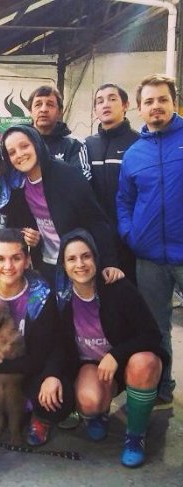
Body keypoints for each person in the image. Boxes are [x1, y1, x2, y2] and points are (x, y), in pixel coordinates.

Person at [55, 229, 165, 467]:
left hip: (125, 362)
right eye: (71, 259)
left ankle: (135, 436)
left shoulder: (117, 287)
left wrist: (116, 355)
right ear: (63, 266)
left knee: (145, 363)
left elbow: (152, 334)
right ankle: (99, 414)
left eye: (86, 256)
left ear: (96, 258)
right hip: (91, 366)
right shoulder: (61, 299)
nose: (80, 264)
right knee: (89, 401)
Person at [0, 228, 74, 446]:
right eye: (0, 259)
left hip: (29, 365)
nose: (8, 267)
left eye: (16, 258)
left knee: (56, 397)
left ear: (27, 261)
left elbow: (44, 353)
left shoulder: (41, 295)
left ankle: (40, 417)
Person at [117, 73, 183, 405]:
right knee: (157, 327)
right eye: (149, 101)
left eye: (162, 99)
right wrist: (131, 234)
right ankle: (162, 386)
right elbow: (124, 200)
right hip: (150, 257)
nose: (155, 106)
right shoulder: (134, 154)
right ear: (140, 109)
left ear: (174, 102)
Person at [1, 124, 123, 286]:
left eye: (24, 146)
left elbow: (96, 220)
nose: (20, 154)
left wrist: (109, 262)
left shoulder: (67, 175)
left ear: (37, 144)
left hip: (78, 265)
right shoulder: (17, 186)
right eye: (12, 152)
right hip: (46, 265)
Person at [85, 83, 139, 283]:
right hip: (97, 238)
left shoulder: (138, 143)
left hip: (131, 240)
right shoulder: (87, 145)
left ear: (126, 105)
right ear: (95, 110)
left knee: (131, 300)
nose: (105, 104)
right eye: (100, 101)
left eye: (112, 98)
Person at [27, 85, 91, 179]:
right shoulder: (21, 144)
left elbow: (83, 177)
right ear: (30, 111)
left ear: (60, 111)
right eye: (38, 104)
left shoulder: (74, 145)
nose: (43, 109)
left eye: (50, 104)